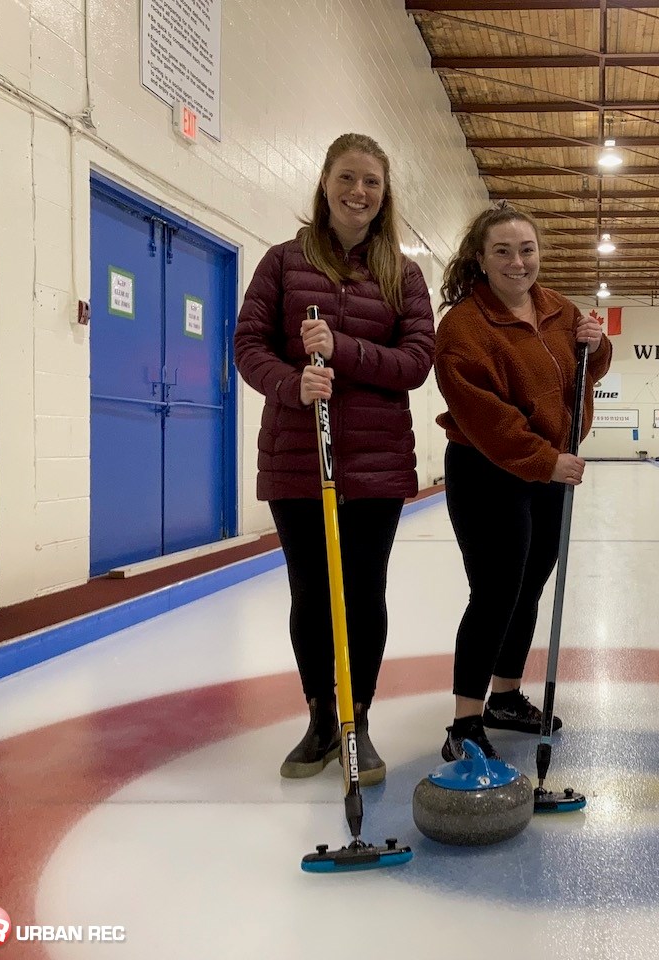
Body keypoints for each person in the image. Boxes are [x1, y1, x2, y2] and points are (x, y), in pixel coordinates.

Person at [234, 133, 435, 785]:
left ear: (385, 194)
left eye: (372, 182)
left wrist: (344, 350)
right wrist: (293, 384)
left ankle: (359, 720)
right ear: (324, 183)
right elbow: (249, 346)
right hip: (297, 459)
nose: (358, 192)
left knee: (363, 593)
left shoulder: (402, 274)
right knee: (312, 595)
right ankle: (321, 717)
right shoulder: (283, 262)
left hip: (376, 464)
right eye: (347, 178)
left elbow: (416, 361)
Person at [433, 205, 612, 762]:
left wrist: (595, 344)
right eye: (503, 251)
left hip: (546, 470)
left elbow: (583, 372)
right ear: (480, 259)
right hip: (490, 470)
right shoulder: (464, 327)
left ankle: (505, 696)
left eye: (527, 249)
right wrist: (545, 460)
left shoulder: (557, 307)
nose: (518, 262)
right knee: (494, 591)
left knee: (530, 583)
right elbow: (486, 417)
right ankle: (464, 722)